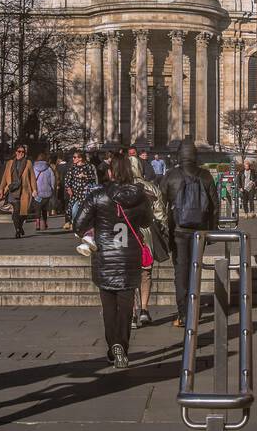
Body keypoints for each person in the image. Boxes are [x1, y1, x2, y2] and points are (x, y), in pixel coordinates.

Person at [73, 153, 153, 368]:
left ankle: (113, 344)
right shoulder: (140, 196)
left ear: (110, 172)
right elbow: (147, 221)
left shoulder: (98, 196)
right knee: (126, 307)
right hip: (129, 257)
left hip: (106, 257)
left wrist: (93, 231)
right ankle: (123, 347)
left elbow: (78, 223)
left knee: (109, 305)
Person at [161, 137, 219, 329]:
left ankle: (183, 314)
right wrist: (213, 229)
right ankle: (193, 309)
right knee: (196, 270)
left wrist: (164, 229)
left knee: (181, 272)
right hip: (200, 232)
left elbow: (160, 205)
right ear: (195, 156)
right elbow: (215, 206)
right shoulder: (205, 175)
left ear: (179, 156)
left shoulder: (171, 175)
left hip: (178, 231)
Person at [133, 166, 170, 327]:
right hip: (146, 233)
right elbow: (160, 214)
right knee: (145, 272)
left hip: (126, 234)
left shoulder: (120, 187)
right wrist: (163, 228)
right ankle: (144, 309)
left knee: (128, 274)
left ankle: (132, 312)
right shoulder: (151, 187)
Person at [0, 142, 37, 238]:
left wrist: (34, 189)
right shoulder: (10, 163)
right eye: (19, 151)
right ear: (16, 152)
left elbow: (32, 177)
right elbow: (4, 177)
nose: (21, 153)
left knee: (23, 213)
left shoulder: (28, 163)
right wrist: (1, 189)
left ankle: (20, 226)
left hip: (24, 191)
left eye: (23, 152)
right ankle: (17, 229)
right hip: (12, 190)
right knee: (16, 210)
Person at [64, 148, 98, 230]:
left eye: (75, 157)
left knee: (82, 209)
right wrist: (68, 188)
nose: (73, 159)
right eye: (73, 157)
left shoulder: (88, 166)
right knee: (71, 208)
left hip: (85, 191)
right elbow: (67, 179)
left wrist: (85, 176)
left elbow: (93, 177)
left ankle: (78, 224)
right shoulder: (72, 168)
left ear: (80, 158)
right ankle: (73, 222)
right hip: (75, 192)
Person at [32, 151, 55, 231]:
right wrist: (52, 188)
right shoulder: (49, 169)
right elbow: (53, 180)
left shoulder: (34, 168)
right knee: (44, 209)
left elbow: (32, 179)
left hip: (37, 192)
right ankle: (45, 223)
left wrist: (33, 189)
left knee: (37, 208)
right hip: (47, 191)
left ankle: (37, 224)